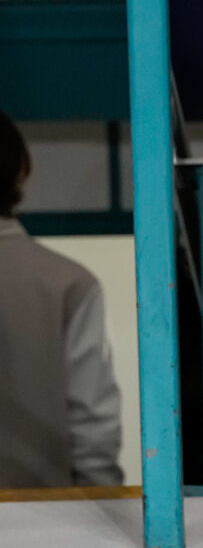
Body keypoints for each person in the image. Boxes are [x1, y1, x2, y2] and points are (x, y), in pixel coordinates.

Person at [0, 114, 124, 489]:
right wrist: (105, 517)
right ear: (23, 172)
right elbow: (92, 429)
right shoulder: (69, 284)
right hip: (44, 527)